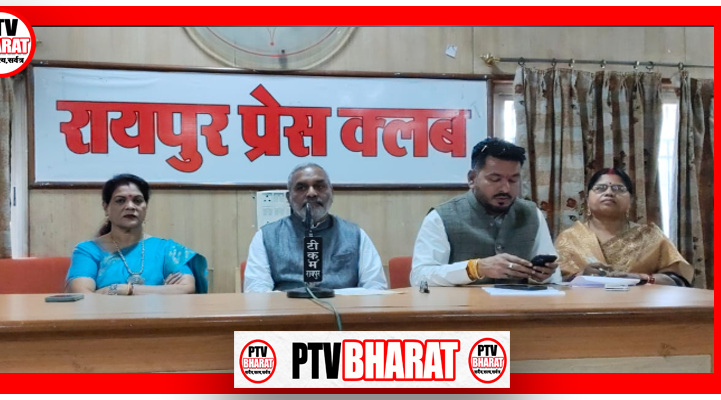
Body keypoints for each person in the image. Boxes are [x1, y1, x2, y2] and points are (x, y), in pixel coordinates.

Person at [410, 138, 561, 287]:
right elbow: (419, 277)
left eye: (513, 180)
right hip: (462, 303)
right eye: (495, 179)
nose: (505, 188)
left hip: (519, 302)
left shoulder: (531, 213)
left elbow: (554, 278)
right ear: (472, 179)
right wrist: (476, 268)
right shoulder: (442, 217)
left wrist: (542, 275)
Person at [244, 163, 388, 293]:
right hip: (286, 312)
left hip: (343, 312)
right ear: (288, 198)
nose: (311, 193)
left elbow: (376, 288)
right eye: (301, 188)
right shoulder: (266, 237)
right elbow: (256, 291)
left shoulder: (355, 235)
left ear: (332, 194)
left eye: (319, 186)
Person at [65, 174, 208, 295]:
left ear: (146, 207)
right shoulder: (89, 251)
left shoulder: (167, 249)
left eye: (137, 200)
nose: (130, 206)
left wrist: (124, 289)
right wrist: (162, 291)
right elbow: (83, 295)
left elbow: (186, 288)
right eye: (120, 200)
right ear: (106, 207)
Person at [555, 168, 693, 286]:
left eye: (618, 189)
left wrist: (640, 278)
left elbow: (679, 280)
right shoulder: (569, 238)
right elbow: (553, 282)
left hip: (640, 305)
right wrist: (581, 276)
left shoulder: (650, 236)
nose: (609, 193)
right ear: (587, 199)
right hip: (583, 306)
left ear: (631, 200)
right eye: (600, 188)